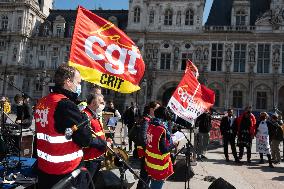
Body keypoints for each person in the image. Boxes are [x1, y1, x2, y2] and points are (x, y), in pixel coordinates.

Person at [34, 64, 94, 189]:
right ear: (68, 82)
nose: (79, 86)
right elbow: (86, 139)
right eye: (78, 82)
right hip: (67, 172)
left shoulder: (42, 102)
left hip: (45, 169)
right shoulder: (65, 105)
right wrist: (83, 116)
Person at [82, 93, 110, 187]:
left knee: (93, 183)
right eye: (101, 102)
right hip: (90, 158)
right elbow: (87, 139)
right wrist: (104, 143)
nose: (103, 104)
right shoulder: (85, 115)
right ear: (93, 102)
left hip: (97, 156)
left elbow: (98, 133)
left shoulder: (94, 114)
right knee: (87, 184)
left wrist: (107, 139)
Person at [145, 106, 175, 189]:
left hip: (150, 162)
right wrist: (173, 144)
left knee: (153, 184)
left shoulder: (151, 125)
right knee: (156, 186)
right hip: (159, 165)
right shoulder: (161, 129)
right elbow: (164, 149)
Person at [136, 101, 160, 189]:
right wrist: (149, 149)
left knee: (147, 176)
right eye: (157, 109)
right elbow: (143, 138)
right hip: (145, 153)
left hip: (149, 153)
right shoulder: (146, 121)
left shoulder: (152, 120)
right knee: (144, 176)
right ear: (151, 109)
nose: (158, 111)